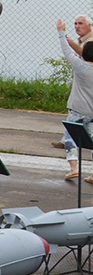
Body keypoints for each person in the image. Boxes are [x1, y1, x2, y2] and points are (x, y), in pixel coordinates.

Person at [57, 18, 93, 183]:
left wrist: (61, 33)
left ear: (84, 54)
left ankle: (74, 169)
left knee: (70, 137)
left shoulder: (80, 67)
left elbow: (66, 51)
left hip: (77, 110)